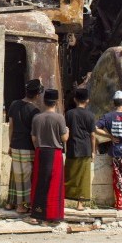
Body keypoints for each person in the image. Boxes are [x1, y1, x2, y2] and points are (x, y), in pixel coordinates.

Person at [27, 88, 69, 224]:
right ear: (56, 102)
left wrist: (37, 148)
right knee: (54, 185)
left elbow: (33, 138)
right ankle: (52, 216)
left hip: (40, 152)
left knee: (39, 183)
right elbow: (64, 138)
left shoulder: (37, 117)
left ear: (44, 102)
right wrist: (67, 131)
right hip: (55, 153)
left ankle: (36, 214)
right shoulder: (59, 118)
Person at [5, 78, 43, 214]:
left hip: (15, 145)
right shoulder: (35, 111)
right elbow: (34, 135)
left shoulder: (14, 104)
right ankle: (21, 206)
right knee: (25, 177)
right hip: (28, 148)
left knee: (15, 175)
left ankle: (10, 203)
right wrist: (38, 148)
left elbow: (11, 126)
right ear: (37, 94)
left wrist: (10, 144)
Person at [64, 88, 97, 211]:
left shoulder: (69, 114)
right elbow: (93, 135)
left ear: (74, 99)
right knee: (83, 177)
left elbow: (65, 130)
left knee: (69, 175)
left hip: (72, 147)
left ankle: (63, 200)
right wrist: (93, 151)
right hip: (85, 148)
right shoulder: (90, 115)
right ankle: (80, 204)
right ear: (87, 100)